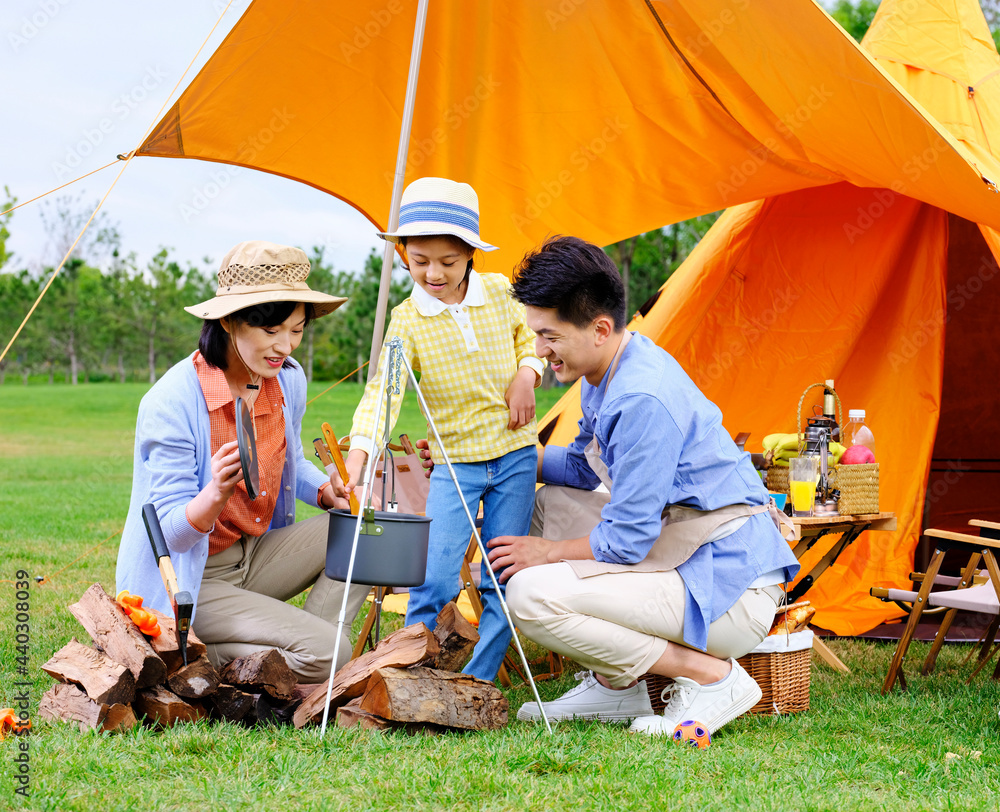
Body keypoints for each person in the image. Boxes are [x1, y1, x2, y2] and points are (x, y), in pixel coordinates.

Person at [486, 235, 800, 736]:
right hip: (683, 543)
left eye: (548, 336)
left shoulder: (640, 398)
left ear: (599, 328)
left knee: (529, 594)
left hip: (728, 588)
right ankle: (618, 687)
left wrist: (544, 554)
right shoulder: (604, 369)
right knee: (545, 504)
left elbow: (626, 542)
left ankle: (714, 677)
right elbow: (584, 471)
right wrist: (497, 456)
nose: (540, 352)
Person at [116, 241, 371, 683]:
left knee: (364, 532)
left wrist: (326, 491)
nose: (285, 346)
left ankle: (321, 653)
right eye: (271, 331)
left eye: (296, 330)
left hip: (253, 556)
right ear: (230, 320)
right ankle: (197, 649)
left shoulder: (286, 381)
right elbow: (172, 531)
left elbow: (289, 462)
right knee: (329, 651)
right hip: (193, 580)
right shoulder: (171, 401)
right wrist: (214, 494)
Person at [333, 178, 544, 683]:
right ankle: (410, 673)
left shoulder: (499, 292)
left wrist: (527, 374)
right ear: (404, 253)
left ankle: (478, 680)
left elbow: (530, 335)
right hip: (455, 463)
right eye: (420, 259)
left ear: (471, 254)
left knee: (500, 575)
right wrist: (358, 460)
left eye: (448, 262)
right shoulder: (407, 322)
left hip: (516, 455)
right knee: (434, 575)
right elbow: (383, 395)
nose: (433, 273)